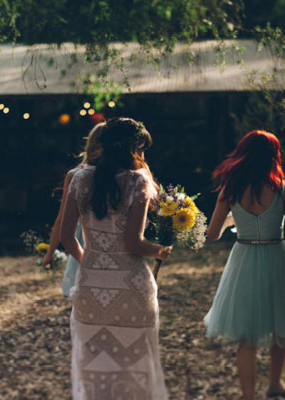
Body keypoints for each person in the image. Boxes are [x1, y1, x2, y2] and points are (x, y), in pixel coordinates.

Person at [203, 130, 285, 400]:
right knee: (281, 324)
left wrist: (233, 219)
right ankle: (275, 384)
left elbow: (212, 234)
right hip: (276, 258)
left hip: (243, 259)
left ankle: (249, 395)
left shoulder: (230, 189)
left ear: (244, 154)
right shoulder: (282, 189)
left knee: (246, 335)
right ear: (273, 156)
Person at [61, 117, 172, 399]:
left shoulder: (80, 178)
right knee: (133, 367)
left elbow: (66, 237)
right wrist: (159, 250)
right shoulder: (137, 181)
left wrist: (90, 262)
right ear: (133, 148)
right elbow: (134, 243)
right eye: (141, 148)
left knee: (94, 366)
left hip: (90, 288)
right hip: (130, 290)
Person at [41, 122, 105, 297]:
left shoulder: (76, 175)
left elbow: (61, 219)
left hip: (83, 245)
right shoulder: (125, 177)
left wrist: (50, 253)